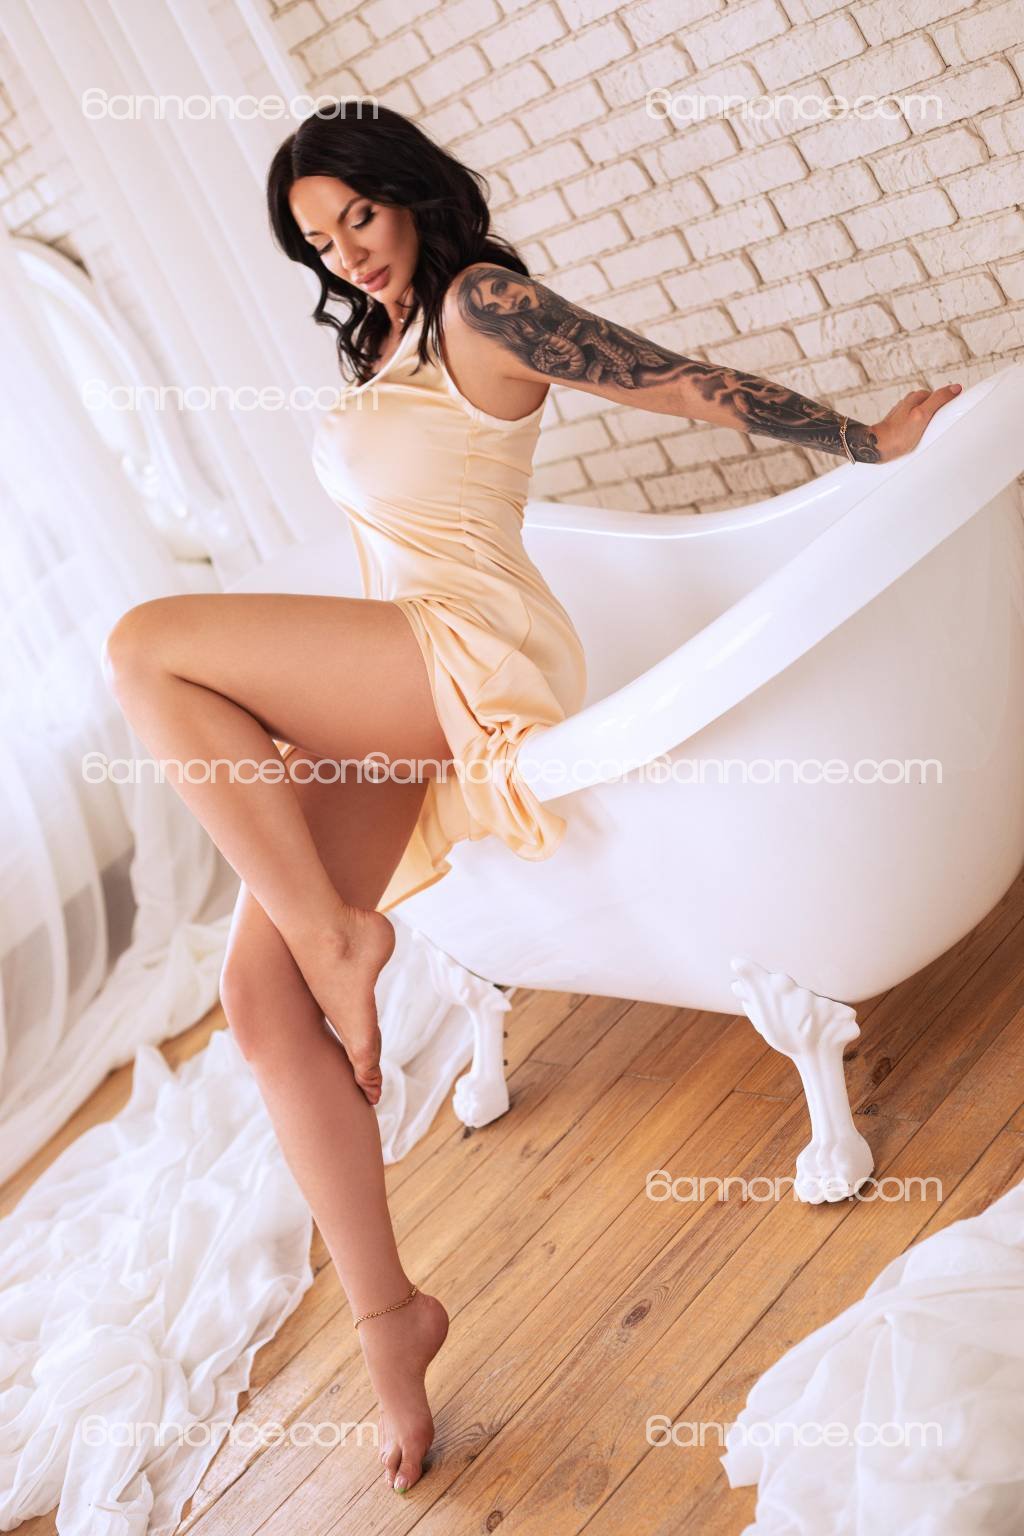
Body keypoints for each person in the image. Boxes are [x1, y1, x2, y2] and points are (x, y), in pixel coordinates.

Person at [100, 100, 962, 1496]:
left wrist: (866, 441)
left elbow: (672, 382)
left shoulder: (482, 306)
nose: (349, 255)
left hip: (470, 651)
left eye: (361, 217)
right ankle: (392, 1317)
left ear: (410, 192)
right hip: (392, 673)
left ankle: (340, 934)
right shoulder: (384, 337)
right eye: (320, 242)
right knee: (257, 1003)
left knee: (147, 644)